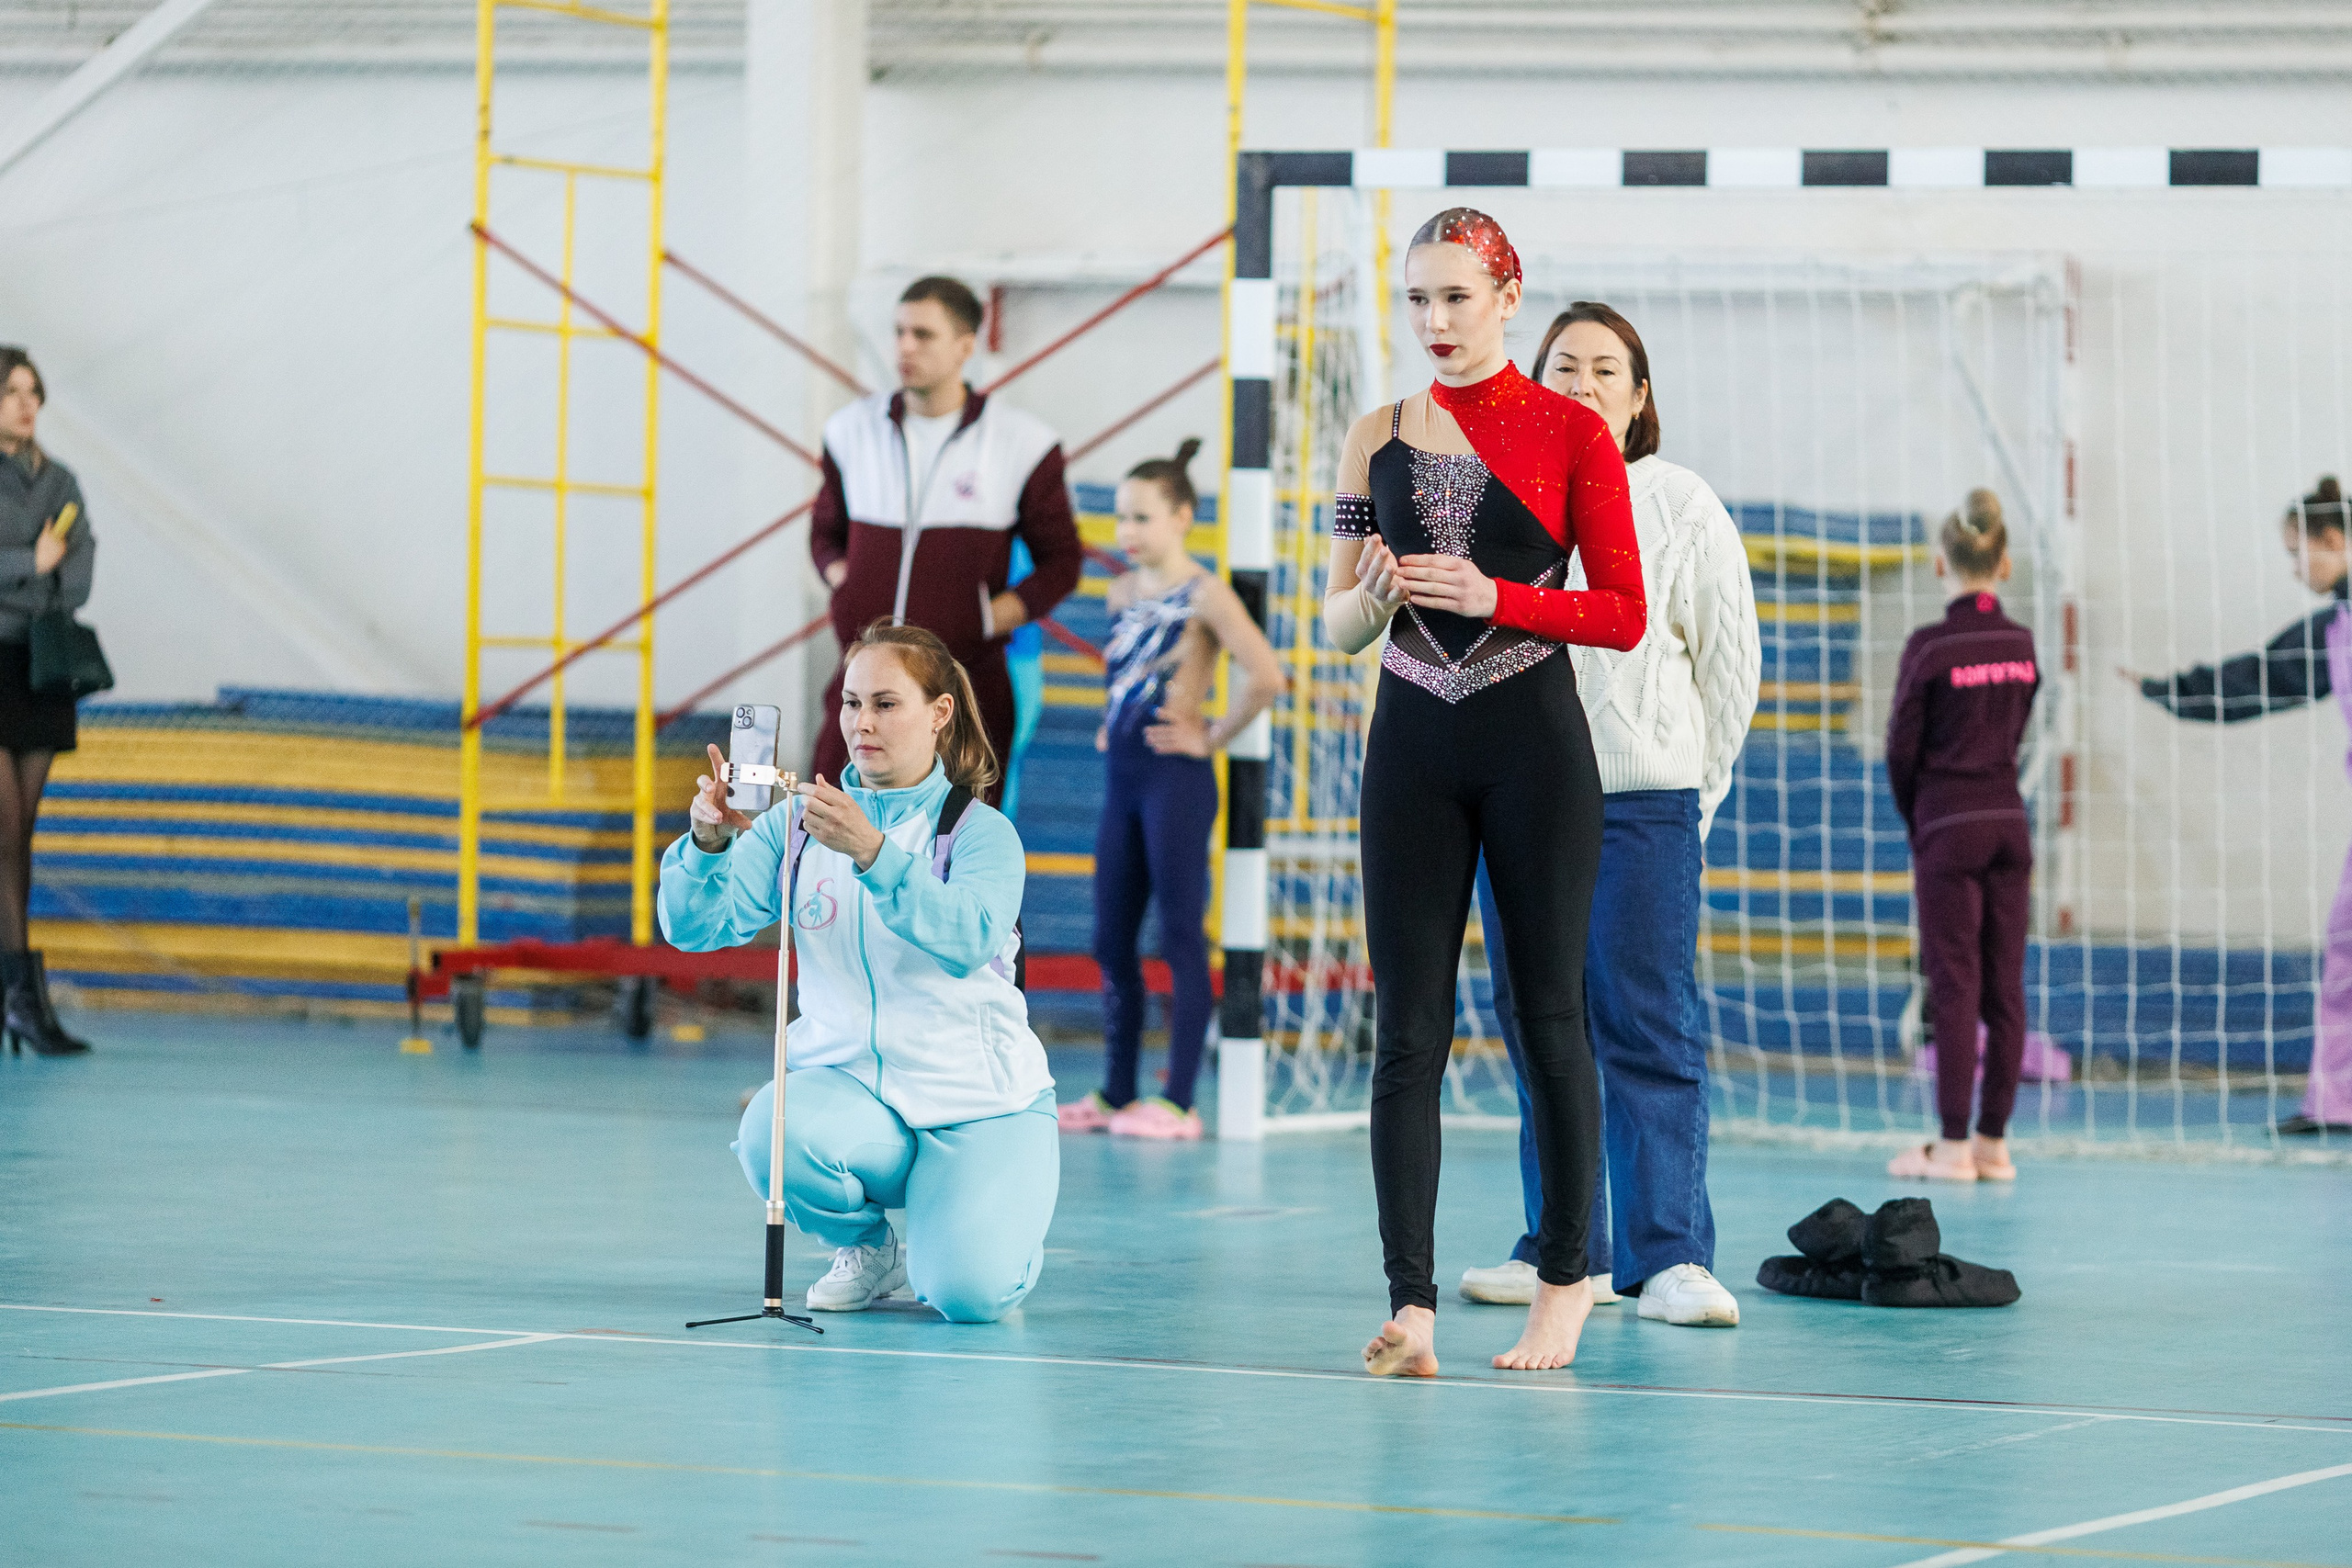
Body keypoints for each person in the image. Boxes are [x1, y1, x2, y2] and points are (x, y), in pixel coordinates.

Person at [1322, 209, 1645, 1375]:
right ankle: (1410, 1302)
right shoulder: (1375, 435)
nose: (1435, 322)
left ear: (1509, 297)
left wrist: (1494, 593)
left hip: (1532, 748)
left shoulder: (1571, 434)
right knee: (1404, 1031)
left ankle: (1564, 1282)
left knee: (1547, 1018)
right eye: (1417, 300)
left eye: (1457, 297)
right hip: (1410, 741)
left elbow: (1620, 613)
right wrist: (1369, 596)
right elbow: (1338, 622)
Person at [1455, 303, 1759, 1325]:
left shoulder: (1678, 503)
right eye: (1561, 367)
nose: (1581, 383)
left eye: (1604, 368)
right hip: (1518, 812)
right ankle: (1562, 1251)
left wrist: (1689, 791)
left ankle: (1669, 1255)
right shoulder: (1494, 504)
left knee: (1644, 1027)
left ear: (1637, 399)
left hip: (1642, 807)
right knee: (1544, 1029)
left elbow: (1729, 670)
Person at [659, 622, 1057, 1323]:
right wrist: (706, 843)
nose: (861, 723)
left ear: (939, 714)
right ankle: (871, 1250)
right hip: (857, 1096)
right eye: (849, 703)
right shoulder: (795, 828)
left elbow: (965, 936)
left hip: (979, 1103)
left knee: (968, 1294)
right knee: (769, 1128)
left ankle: (988, 1221)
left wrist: (875, 855)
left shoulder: (980, 832)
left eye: (884, 703)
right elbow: (693, 927)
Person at [1057, 440, 1287, 1140]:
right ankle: (1118, 1087)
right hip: (1122, 779)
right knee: (1108, 937)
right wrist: (1108, 725)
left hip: (1175, 782)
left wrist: (1210, 734)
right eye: (1121, 519)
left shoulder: (1205, 593)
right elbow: (1121, 673)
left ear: (1183, 516)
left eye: (1142, 518)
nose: (1127, 532)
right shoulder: (1120, 590)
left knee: (1181, 934)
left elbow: (1268, 675)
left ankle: (1180, 1099)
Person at [2126, 476, 2351, 1134]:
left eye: (2296, 550)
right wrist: (2169, 690)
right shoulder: (2334, 629)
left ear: (2332, 541)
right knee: (2345, 948)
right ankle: (2337, 1101)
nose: (2294, 566)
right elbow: (2254, 679)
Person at [808, 276, 1083, 803]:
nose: (905, 346)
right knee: (828, 829)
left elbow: (1062, 562)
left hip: (967, 691)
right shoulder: (850, 431)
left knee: (957, 852)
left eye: (923, 334)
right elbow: (825, 534)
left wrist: (986, 617)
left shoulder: (1022, 444)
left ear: (964, 347)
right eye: (899, 332)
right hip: (862, 686)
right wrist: (846, 580)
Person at [1884, 490, 2039, 1182]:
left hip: (1949, 824)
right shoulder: (2023, 644)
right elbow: (2015, 725)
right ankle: (1994, 1143)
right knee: (2005, 986)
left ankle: (1950, 1145)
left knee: (1955, 984)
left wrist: (1921, 817)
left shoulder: (1929, 645)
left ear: (1939, 563)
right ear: (2003, 565)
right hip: (2010, 821)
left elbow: (1900, 748)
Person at [0, 346, 95, 1058]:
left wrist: (36, 582)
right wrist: (27, 565)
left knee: (21, 834)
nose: (26, 403)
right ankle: (23, 997)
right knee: (3, 830)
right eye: (11, 391)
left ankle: (15, 996)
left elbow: (80, 573)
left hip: (42, 664)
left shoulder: (62, 480)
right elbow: (44, 564)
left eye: (33, 391)